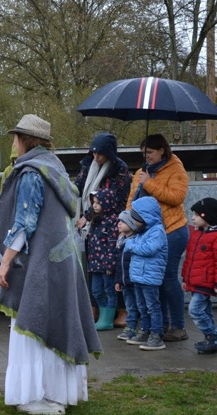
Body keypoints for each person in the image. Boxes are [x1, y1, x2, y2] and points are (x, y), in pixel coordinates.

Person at [0, 114, 101, 415]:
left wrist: (5, 262)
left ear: (25, 140)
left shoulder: (32, 172)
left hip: (41, 262)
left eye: (16, 138)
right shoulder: (55, 168)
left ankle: (39, 395)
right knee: (57, 319)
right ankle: (59, 393)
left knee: (35, 321)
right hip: (64, 260)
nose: (14, 143)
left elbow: (24, 223)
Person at [126, 134, 189, 342]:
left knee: (168, 278)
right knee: (153, 280)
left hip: (172, 229)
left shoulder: (175, 168)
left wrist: (150, 184)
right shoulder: (141, 172)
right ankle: (158, 326)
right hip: (148, 232)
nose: (146, 156)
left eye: (150, 152)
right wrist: (128, 222)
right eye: (143, 153)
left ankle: (178, 327)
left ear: (162, 150)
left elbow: (177, 197)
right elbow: (131, 201)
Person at [75, 132, 132, 327]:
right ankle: (95, 307)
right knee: (93, 267)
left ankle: (123, 309)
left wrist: (87, 215)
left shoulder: (120, 169)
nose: (96, 157)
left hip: (112, 223)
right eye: (93, 153)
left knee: (114, 269)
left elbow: (113, 199)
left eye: (100, 154)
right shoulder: (88, 164)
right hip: (92, 225)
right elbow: (78, 186)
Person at [181, 198, 217, 354]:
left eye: (196, 215)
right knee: (205, 311)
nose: (192, 218)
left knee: (195, 310)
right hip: (195, 281)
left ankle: (215, 336)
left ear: (206, 216)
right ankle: (212, 341)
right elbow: (189, 259)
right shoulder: (196, 234)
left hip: (207, 282)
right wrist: (185, 279)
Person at [122, 197, 168, 351]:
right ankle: (145, 331)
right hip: (138, 276)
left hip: (150, 277)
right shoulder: (142, 231)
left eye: (135, 219)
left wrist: (131, 245)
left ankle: (156, 335)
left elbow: (149, 249)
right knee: (142, 307)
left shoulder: (157, 231)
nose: (133, 222)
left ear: (145, 217)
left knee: (152, 307)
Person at [85, 190, 121, 330]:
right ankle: (103, 316)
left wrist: (110, 264)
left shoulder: (113, 221)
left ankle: (107, 319)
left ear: (107, 203)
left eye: (98, 203)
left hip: (107, 264)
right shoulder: (96, 219)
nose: (94, 205)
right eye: (93, 202)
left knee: (109, 290)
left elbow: (113, 245)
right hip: (95, 263)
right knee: (96, 291)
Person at [114, 211, 139, 342]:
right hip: (125, 282)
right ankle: (130, 329)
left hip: (134, 280)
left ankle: (144, 329)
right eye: (119, 221)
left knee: (140, 306)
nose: (119, 224)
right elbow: (119, 264)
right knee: (130, 306)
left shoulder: (135, 241)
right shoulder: (121, 241)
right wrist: (118, 280)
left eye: (123, 222)